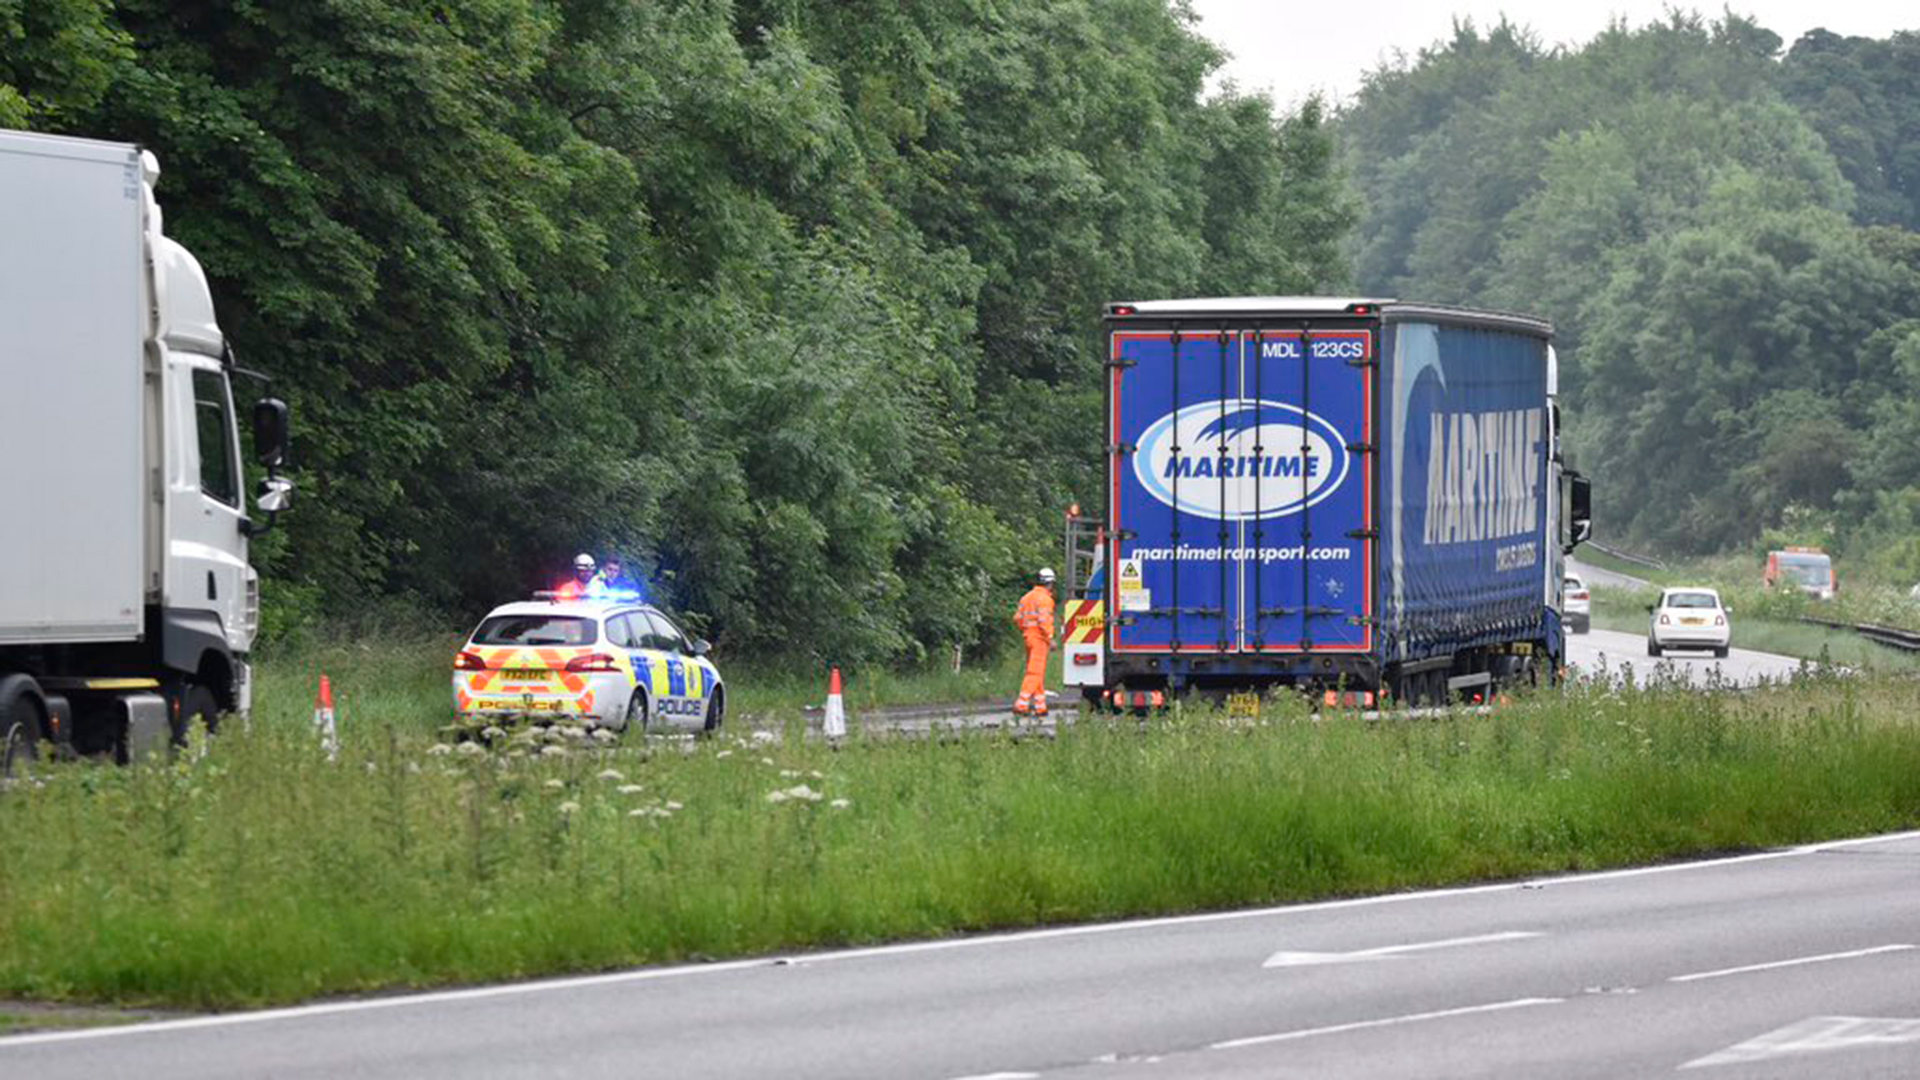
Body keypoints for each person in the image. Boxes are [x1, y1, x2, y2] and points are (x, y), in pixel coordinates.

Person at [1012, 567, 1057, 717]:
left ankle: (1040, 706)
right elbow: (1044, 622)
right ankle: (1021, 704)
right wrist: (1050, 638)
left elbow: (1017, 618)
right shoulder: (1045, 599)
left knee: (1036, 672)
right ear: (1050, 583)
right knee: (1035, 672)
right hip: (1039, 639)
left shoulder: (1026, 597)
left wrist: (1026, 630)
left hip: (1028, 637)